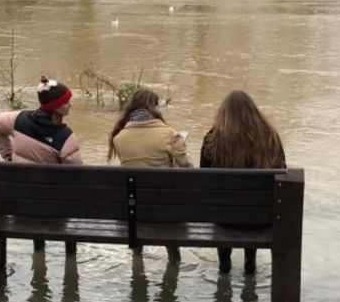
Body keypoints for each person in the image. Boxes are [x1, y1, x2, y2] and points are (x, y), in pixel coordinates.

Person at [0, 76, 81, 252]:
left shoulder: (18, 119)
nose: (70, 104)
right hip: (56, 211)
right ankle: (71, 256)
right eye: (66, 101)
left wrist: (8, 155)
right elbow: (76, 175)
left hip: (22, 206)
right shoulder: (66, 138)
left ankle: (38, 252)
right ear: (55, 106)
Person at [200, 90, 286, 274]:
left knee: (225, 203)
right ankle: (250, 262)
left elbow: (204, 180)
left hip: (224, 218)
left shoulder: (213, 139)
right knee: (251, 203)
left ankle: (224, 264)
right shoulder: (270, 136)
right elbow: (282, 171)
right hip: (260, 218)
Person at [108, 87, 191, 260]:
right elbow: (188, 170)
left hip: (132, 211)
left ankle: (137, 260)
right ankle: (174, 259)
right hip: (165, 210)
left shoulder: (119, 137)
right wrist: (179, 149)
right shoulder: (169, 135)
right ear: (153, 107)